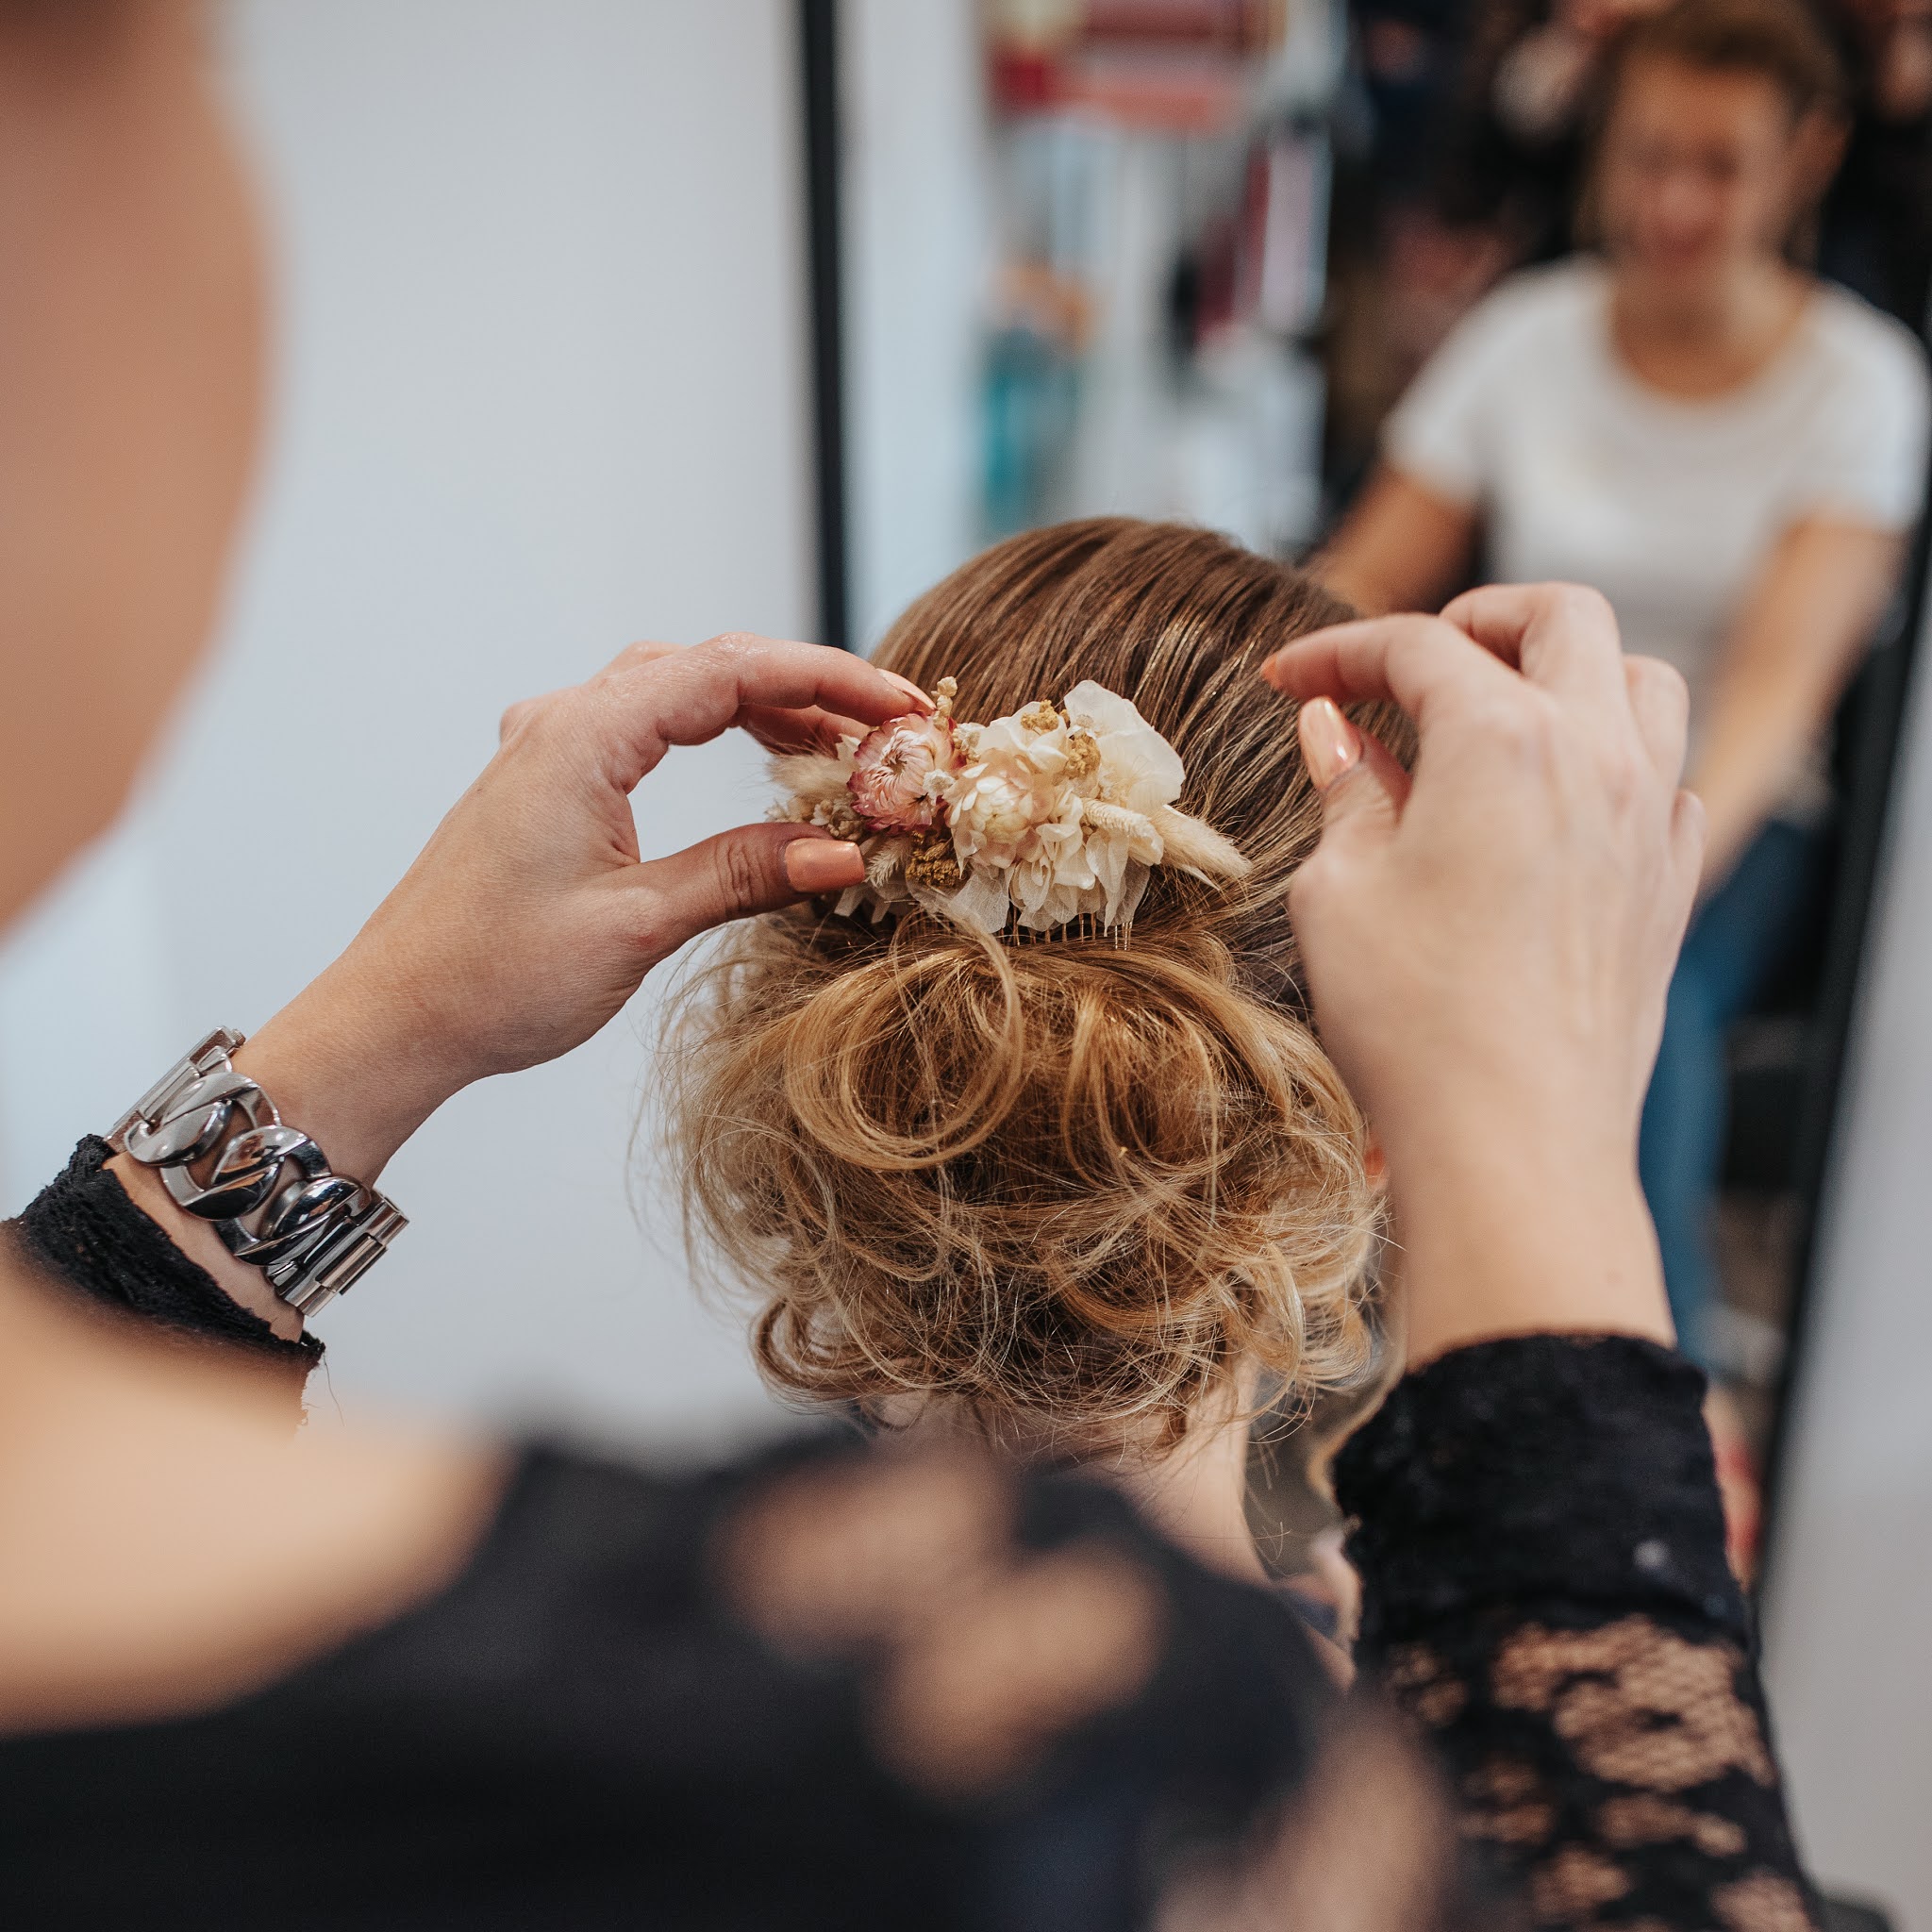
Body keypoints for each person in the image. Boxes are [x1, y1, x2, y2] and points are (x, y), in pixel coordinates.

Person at [0, 0, 1818, 1924]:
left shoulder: (440, 1702)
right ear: (1364, 1120)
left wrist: (375, 1030)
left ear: (817, 1001)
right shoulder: (1094, 1764)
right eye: (189, 58)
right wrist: (1543, 1170)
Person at [1314, 0, 1932, 1380]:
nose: (1672, 202)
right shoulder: (1525, 340)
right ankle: (1397, 1338)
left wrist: (1613, 879)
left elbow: (1775, 699)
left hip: (1733, 815)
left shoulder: (1864, 385)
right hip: (1510, 778)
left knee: (1648, 1010)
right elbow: (1358, 579)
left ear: (1808, 159)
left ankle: (1650, 1396)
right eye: (1650, 155)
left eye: (1719, 165)